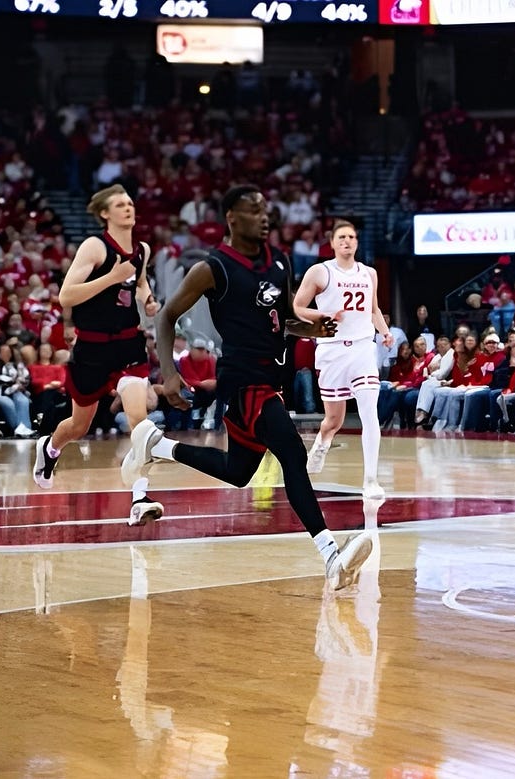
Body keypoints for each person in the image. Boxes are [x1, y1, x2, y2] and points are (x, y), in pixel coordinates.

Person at [125, 185, 372, 589]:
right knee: (292, 452)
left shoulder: (280, 261)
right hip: (242, 381)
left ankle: (157, 446)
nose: (263, 217)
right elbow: (167, 315)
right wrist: (168, 372)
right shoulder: (213, 268)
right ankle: (330, 556)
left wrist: (311, 327)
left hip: (272, 379)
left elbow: (284, 317)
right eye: (253, 211)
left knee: (239, 472)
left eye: (265, 210)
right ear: (232, 219)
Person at [31, 185, 165, 527]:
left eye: (131, 202)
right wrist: (111, 277)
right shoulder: (95, 246)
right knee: (79, 425)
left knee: (139, 421)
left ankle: (140, 497)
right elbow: (66, 297)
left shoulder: (142, 249)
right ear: (105, 213)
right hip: (91, 348)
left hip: (128, 346)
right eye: (120, 204)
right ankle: (49, 447)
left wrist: (147, 299)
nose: (128, 208)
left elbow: (139, 283)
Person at [294, 221, 390, 500]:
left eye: (352, 237)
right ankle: (323, 442)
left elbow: (374, 309)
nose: (347, 241)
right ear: (332, 243)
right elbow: (298, 307)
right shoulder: (320, 272)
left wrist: (384, 333)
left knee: (370, 415)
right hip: (332, 350)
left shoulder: (369, 273)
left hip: (362, 349)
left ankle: (371, 480)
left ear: (357, 242)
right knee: (333, 420)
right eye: (342, 237)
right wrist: (322, 317)